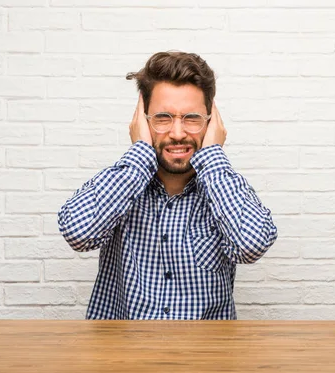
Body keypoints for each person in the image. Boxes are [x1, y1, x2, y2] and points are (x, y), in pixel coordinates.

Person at [58, 51, 278, 320]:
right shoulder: (120, 185)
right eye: (162, 118)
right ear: (142, 120)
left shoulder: (224, 189)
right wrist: (140, 152)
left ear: (212, 123)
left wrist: (214, 158)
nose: (177, 133)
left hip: (205, 358)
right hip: (122, 357)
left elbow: (250, 245)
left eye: (192, 118)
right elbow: (78, 234)